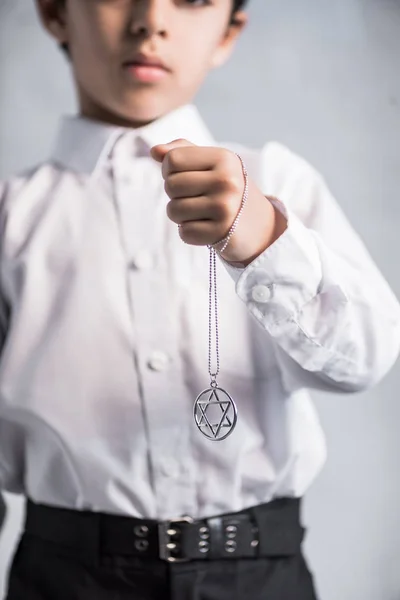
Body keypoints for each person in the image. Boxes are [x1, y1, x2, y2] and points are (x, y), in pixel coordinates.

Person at [1, 0, 400, 598]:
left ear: (228, 32)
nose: (150, 20)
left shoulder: (281, 185)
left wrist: (266, 241)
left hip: (263, 574)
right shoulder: (12, 218)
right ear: (56, 13)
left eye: (190, 0)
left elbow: (366, 360)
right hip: (65, 578)